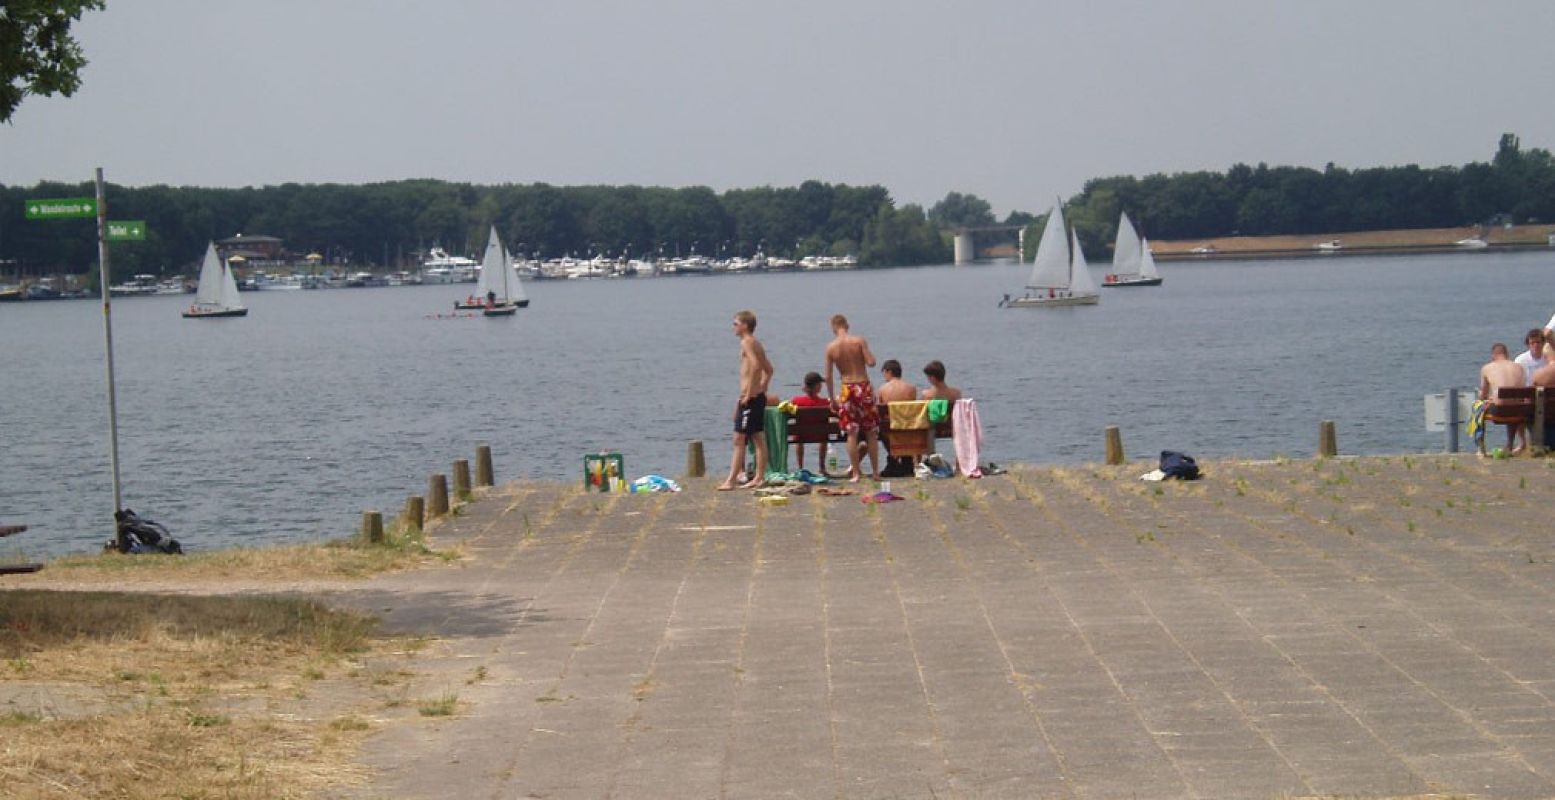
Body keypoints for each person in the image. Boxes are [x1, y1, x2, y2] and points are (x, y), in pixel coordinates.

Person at [718, 310, 774, 491]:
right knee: (757, 437)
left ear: (744, 325)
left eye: (735, 323)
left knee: (738, 438)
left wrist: (749, 394)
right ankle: (758, 477)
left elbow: (757, 366)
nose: (733, 327)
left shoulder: (747, 342)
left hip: (750, 399)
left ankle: (732, 480)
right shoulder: (756, 343)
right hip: (755, 397)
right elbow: (769, 369)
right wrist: (762, 387)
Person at [824, 313, 880, 482]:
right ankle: (876, 473)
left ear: (834, 328)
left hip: (847, 388)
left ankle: (855, 473)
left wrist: (832, 400)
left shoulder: (831, 348)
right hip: (863, 386)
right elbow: (872, 362)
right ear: (847, 326)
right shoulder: (858, 341)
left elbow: (828, 376)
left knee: (851, 432)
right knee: (870, 432)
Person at [1479, 342, 1528, 456]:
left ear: (1493, 355)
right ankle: (1510, 445)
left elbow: (1483, 396)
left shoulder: (1487, 368)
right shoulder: (1518, 367)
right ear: (1507, 354)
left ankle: (1481, 449)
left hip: (1498, 411)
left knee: (1477, 407)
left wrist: (1487, 400)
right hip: (1518, 411)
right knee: (1512, 404)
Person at [877, 360, 919, 478]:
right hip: (908, 428)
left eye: (884, 373)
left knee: (882, 427)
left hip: (890, 429)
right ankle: (906, 461)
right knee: (900, 426)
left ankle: (893, 460)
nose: (884, 376)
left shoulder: (883, 389)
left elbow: (880, 413)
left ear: (889, 371)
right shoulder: (911, 388)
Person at [789, 371, 831, 471]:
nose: (821, 386)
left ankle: (800, 468)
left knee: (798, 438)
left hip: (801, 435)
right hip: (820, 435)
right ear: (816, 386)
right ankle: (822, 467)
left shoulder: (796, 401)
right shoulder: (824, 402)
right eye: (820, 384)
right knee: (824, 437)